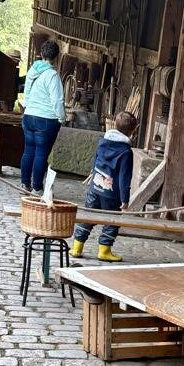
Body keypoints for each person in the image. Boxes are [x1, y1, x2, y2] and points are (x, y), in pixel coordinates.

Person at [70, 111, 137, 263]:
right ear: (133, 131)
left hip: (95, 188)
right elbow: (124, 177)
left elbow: (94, 161)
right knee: (111, 221)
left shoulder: (102, 142)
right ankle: (104, 251)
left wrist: (93, 176)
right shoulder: (126, 152)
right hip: (112, 195)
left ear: (114, 124)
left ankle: (77, 248)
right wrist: (125, 199)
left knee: (88, 217)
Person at [20, 40, 65, 195]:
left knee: (28, 151)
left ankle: (25, 184)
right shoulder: (52, 75)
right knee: (41, 154)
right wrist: (61, 118)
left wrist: (29, 107)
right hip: (46, 119)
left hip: (29, 116)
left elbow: (26, 93)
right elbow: (57, 100)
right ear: (56, 57)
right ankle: (37, 187)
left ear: (41, 54)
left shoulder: (33, 70)